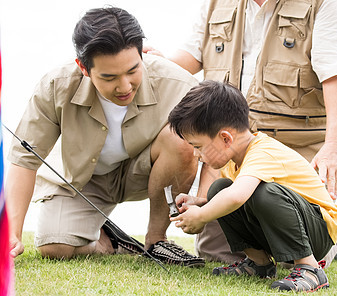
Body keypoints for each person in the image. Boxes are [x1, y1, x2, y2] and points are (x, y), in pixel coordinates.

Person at [151, 0, 337, 263]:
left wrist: (335, 145)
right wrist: (154, 63)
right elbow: (192, 54)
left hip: (291, 145)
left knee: (267, 198)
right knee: (218, 254)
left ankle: (326, 241)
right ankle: (264, 259)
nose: (195, 154)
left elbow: (335, 74)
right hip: (229, 148)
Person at [5, 6, 204, 267]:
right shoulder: (56, 85)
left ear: (142, 55)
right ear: (83, 68)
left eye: (133, 71)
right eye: (109, 77)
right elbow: (24, 159)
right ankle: (108, 240)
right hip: (83, 179)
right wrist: (12, 233)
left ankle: (156, 241)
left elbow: (215, 144)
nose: (124, 86)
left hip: (144, 172)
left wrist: (206, 202)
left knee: (180, 139)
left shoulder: (178, 83)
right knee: (54, 247)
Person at [168, 80, 337, 293]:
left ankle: (310, 268)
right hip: (289, 229)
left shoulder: (263, 153)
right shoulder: (235, 160)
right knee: (219, 190)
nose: (197, 154)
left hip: (319, 232)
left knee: (263, 193)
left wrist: (201, 216)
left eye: (198, 146)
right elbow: (233, 195)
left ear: (225, 138)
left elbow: (237, 197)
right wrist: (201, 202)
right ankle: (260, 263)